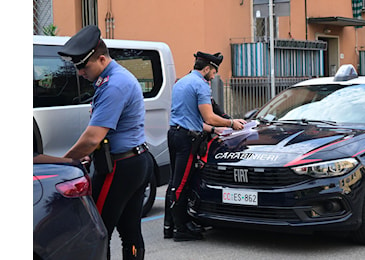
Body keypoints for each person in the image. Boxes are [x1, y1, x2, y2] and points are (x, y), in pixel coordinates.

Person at [58, 25, 153, 260]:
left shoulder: (114, 85)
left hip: (119, 168)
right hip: (135, 161)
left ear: (101, 58)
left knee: (97, 231)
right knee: (130, 231)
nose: (80, 73)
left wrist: (63, 163)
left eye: (83, 66)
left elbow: (92, 138)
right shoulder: (113, 78)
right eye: (77, 67)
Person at [164, 51, 246, 241]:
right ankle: (181, 229)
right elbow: (209, 116)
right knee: (181, 184)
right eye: (214, 72)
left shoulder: (182, 82)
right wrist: (231, 123)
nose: (214, 76)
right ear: (207, 68)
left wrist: (210, 129)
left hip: (174, 134)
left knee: (174, 182)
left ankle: (169, 226)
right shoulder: (200, 85)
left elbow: (189, 115)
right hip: (187, 139)